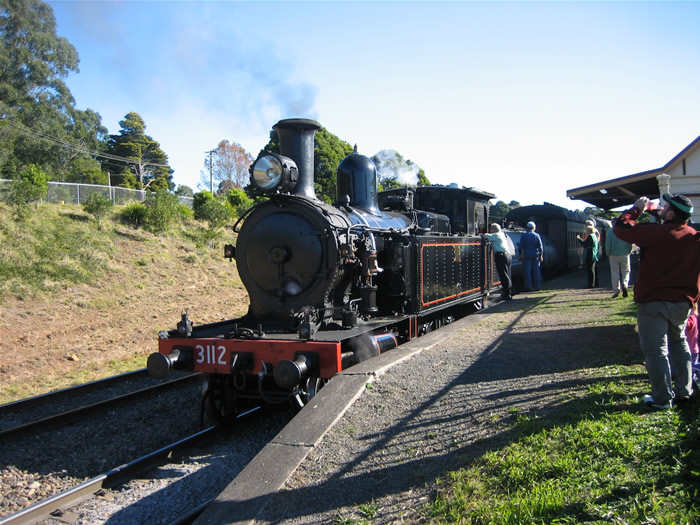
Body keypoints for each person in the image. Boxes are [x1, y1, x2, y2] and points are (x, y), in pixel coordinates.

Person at [613, 193, 700, 409]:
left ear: (670, 212)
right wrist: (656, 210)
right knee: (679, 343)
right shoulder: (694, 236)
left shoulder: (655, 233)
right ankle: (684, 390)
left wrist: (636, 209)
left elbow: (621, 226)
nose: (662, 207)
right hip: (682, 303)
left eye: (666, 206)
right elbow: (672, 226)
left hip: (654, 301)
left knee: (656, 350)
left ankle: (662, 399)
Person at [485, 223, 512, 300]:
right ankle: (508, 292)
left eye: (490, 229)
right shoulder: (502, 234)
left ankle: (507, 294)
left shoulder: (495, 235)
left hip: (502, 256)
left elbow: (485, 236)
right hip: (507, 255)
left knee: (504, 275)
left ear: (492, 229)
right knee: (507, 274)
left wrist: (484, 234)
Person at [605, 228, 633, 298]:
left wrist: (608, 252)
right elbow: (630, 242)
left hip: (613, 255)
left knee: (615, 273)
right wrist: (629, 250)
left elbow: (608, 243)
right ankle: (625, 283)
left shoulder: (611, 231)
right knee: (626, 271)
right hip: (625, 254)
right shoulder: (626, 230)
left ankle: (616, 290)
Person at [518, 221, 543, 292]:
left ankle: (529, 287)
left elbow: (520, 246)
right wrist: (541, 255)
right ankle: (537, 286)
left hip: (527, 254)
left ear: (527, 227)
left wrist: (520, 255)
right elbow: (540, 246)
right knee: (536, 270)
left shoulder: (524, 235)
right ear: (534, 228)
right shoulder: (537, 235)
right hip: (536, 254)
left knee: (527, 271)